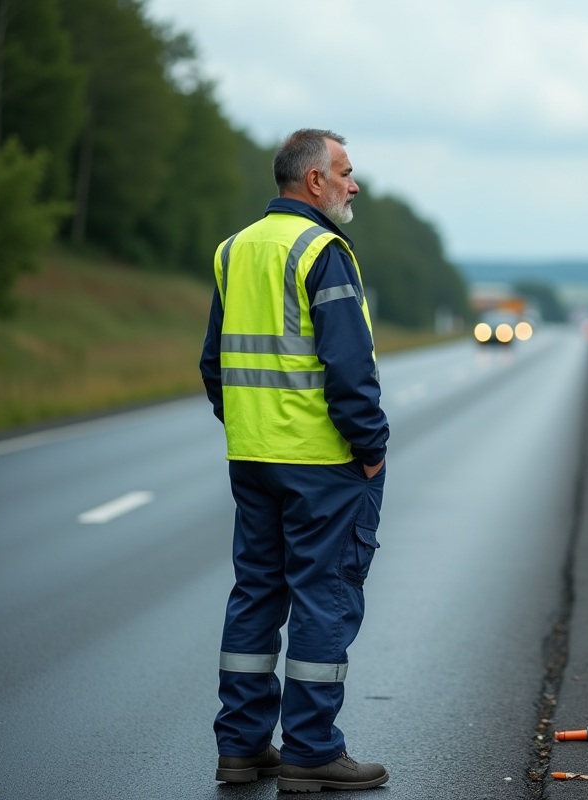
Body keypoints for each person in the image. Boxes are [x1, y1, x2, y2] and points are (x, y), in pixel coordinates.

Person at [199, 128, 391, 792]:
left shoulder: (236, 248)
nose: (353, 184)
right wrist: (370, 447)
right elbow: (348, 365)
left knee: (256, 593)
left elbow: (212, 362)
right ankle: (311, 750)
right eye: (344, 171)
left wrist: (247, 424)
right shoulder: (323, 249)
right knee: (324, 597)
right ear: (314, 181)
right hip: (321, 463)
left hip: (251, 458)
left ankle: (242, 749)